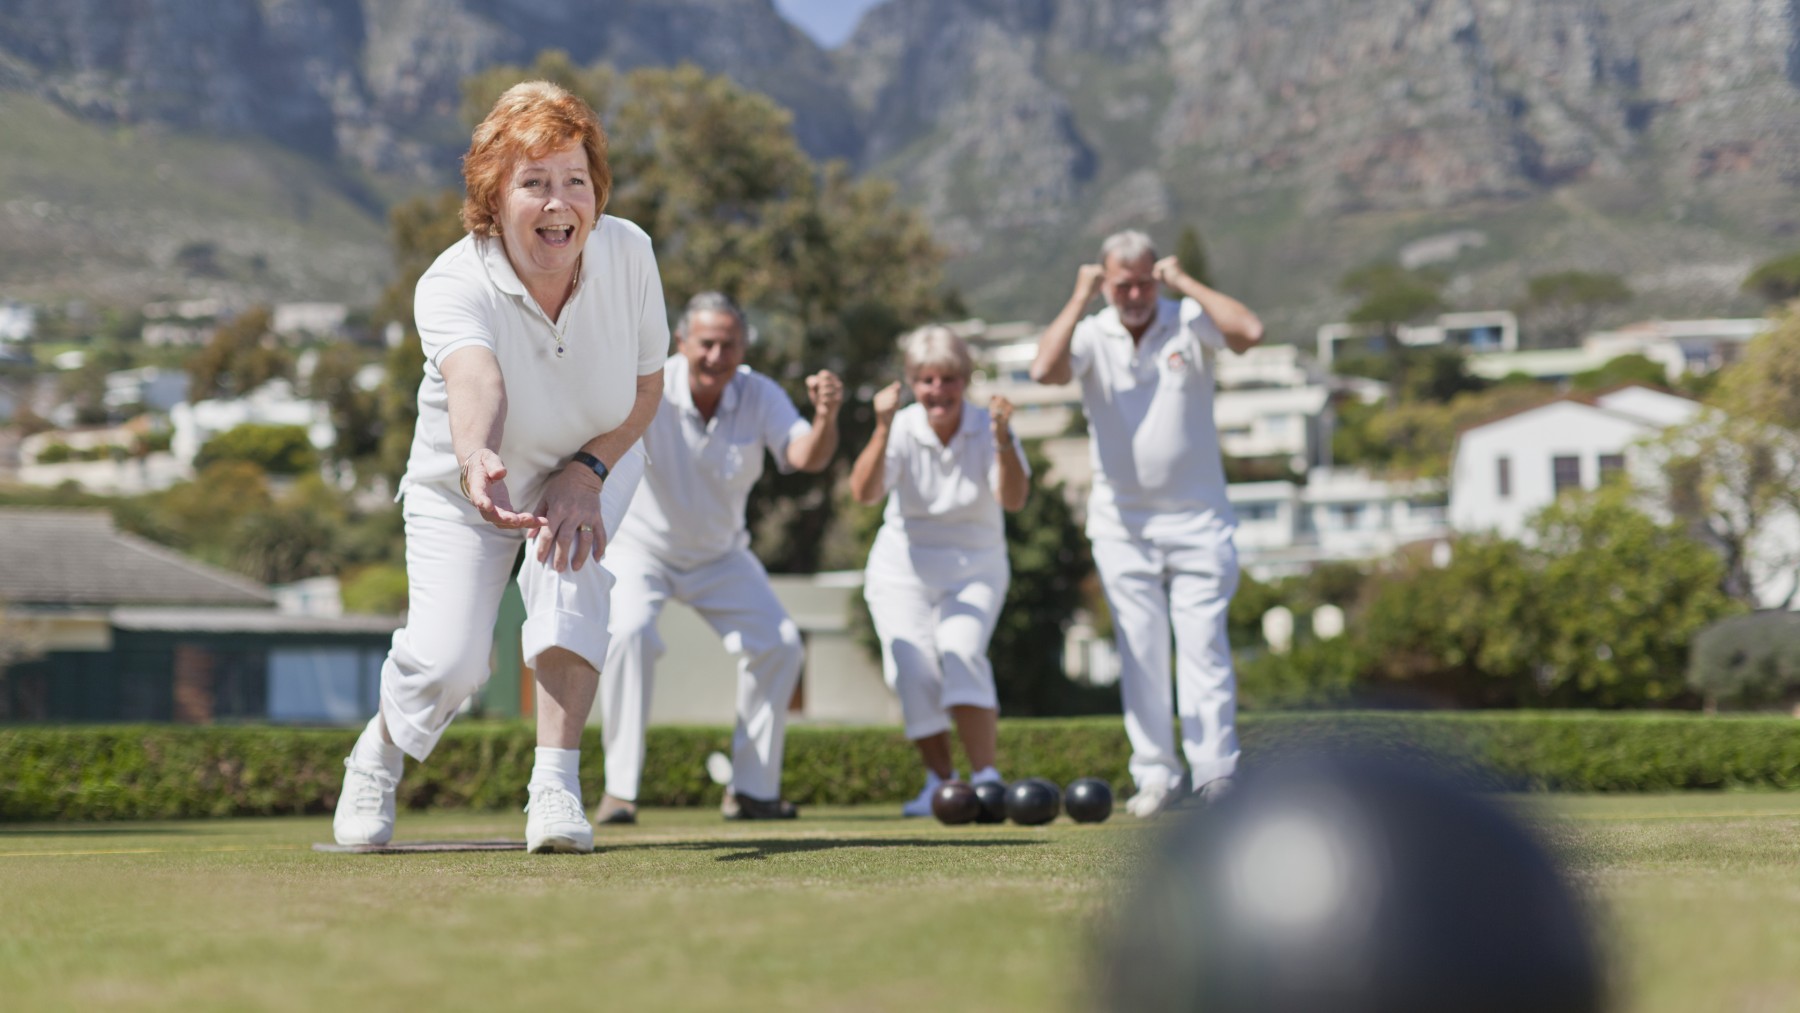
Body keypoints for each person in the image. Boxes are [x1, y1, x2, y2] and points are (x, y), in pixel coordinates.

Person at [331, 80, 668, 854]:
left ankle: (554, 788)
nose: (559, 205)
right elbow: (475, 378)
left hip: (593, 459)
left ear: (597, 190)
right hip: (469, 482)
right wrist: (479, 453)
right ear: (493, 196)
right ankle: (377, 755)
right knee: (451, 664)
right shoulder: (452, 280)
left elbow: (648, 386)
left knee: (570, 581)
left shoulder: (630, 253)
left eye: (575, 181)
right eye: (535, 183)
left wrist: (586, 472)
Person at [1028, 229, 1264, 818]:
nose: (1133, 294)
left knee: (1203, 644)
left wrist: (1183, 282)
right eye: (1121, 283)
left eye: (1141, 282)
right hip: (1122, 525)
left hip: (1199, 520)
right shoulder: (1090, 332)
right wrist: (1080, 296)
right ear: (1106, 282)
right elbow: (1044, 371)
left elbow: (1248, 332)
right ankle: (1156, 776)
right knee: (1140, 651)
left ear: (1154, 278)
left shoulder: (1187, 318)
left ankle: (1216, 773)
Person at [595, 291, 843, 824]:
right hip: (644, 549)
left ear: (743, 347)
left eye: (729, 344)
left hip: (721, 556)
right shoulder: (650, 386)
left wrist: (826, 415)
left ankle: (752, 791)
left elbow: (805, 457)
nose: (716, 355)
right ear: (682, 343)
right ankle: (619, 791)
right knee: (630, 633)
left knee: (779, 645)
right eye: (706, 343)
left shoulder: (760, 393)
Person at [849, 325, 1029, 815]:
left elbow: (1013, 500)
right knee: (912, 670)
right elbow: (864, 492)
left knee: (962, 648)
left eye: (948, 378)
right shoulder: (902, 427)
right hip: (902, 569)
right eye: (926, 379)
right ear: (912, 382)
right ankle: (941, 783)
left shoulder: (990, 425)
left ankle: (987, 777)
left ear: (965, 380)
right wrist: (882, 428)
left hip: (976, 567)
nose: (938, 390)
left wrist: (1003, 441)